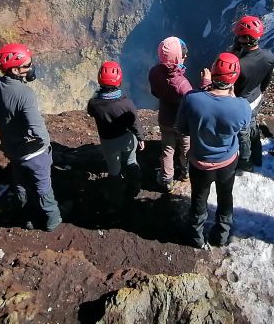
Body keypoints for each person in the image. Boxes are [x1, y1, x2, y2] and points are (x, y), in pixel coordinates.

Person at [0, 43, 62, 231]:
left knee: (21, 184)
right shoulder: (25, 94)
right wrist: (46, 148)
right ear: (15, 69)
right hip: (34, 153)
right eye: (27, 65)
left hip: (12, 150)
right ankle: (52, 220)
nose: (31, 67)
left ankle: (27, 219)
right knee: (43, 186)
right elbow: (37, 130)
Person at [175, 52, 251, 248]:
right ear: (234, 79)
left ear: (213, 73)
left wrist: (205, 88)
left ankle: (196, 236)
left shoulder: (192, 99)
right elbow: (241, 130)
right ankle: (221, 235)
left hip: (200, 162)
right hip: (227, 162)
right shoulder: (242, 107)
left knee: (199, 199)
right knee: (226, 196)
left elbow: (182, 128)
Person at [86, 61, 145, 207]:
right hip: (127, 139)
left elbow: (90, 112)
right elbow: (135, 123)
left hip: (108, 142)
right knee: (131, 162)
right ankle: (134, 189)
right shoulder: (126, 103)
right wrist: (141, 138)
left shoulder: (94, 103)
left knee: (114, 170)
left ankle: (116, 197)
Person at [149, 36, 195, 192]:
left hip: (165, 119)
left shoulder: (154, 72)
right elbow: (191, 105)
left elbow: (155, 91)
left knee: (168, 149)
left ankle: (166, 179)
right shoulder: (183, 84)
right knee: (186, 148)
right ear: (178, 58)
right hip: (182, 123)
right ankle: (186, 172)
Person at [230, 15, 274, 171]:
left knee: (243, 133)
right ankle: (257, 156)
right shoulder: (269, 56)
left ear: (245, 39)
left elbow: (228, 80)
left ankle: (245, 162)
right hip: (255, 97)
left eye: (239, 36)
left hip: (241, 103)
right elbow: (266, 81)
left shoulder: (238, 64)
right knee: (252, 126)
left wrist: (234, 52)